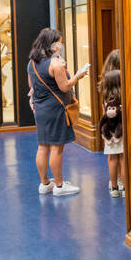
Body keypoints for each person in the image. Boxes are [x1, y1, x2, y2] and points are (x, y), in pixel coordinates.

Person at [27, 28, 90, 197]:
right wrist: (78, 76)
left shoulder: (31, 63)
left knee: (43, 146)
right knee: (57, 148)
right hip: (56, 109)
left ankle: (45, 183)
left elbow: (31, 87)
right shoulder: (55, 64)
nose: (59, 46)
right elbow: (65, 86)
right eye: (58, 43)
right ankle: (60, 186)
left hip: (40, 109)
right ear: (52, 44)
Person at [98, 67, 125, 198]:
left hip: (109, 132)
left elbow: (104, 116)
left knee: (112, 158)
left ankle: (114, 188)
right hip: (121, 132)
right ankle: (125, 188)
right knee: (123, 158)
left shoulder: (106, 98)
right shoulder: (122, 97)